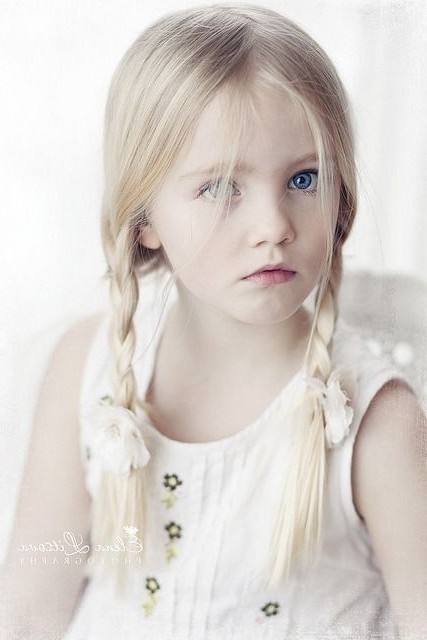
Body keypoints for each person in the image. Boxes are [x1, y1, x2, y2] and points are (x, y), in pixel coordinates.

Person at [1, 3, 426, 639]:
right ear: (145, 219)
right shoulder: (85, 368)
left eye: (304, 178)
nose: (274, 225)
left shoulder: (375, 420)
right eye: (221, 185)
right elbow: (32, 605)